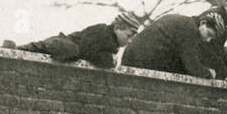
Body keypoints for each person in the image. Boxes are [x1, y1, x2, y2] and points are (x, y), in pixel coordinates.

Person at [7, 11, 142, 69]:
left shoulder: (113, 46)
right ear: (118, 27)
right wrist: (109, 60)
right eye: (129, 35)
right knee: (39, 48)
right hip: (63, 44)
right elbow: (88, 51)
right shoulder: (101, 31)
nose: (129, 41)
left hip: (66, 50)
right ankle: (14, 48)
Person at [120, 11, 226, 78]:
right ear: (203, 23)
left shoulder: (185, 23)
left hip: (133, 56)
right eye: (209, 34)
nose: (208, 40)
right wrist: (209, 73)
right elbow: (191, 65)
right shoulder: (189, 29)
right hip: (141, 61)